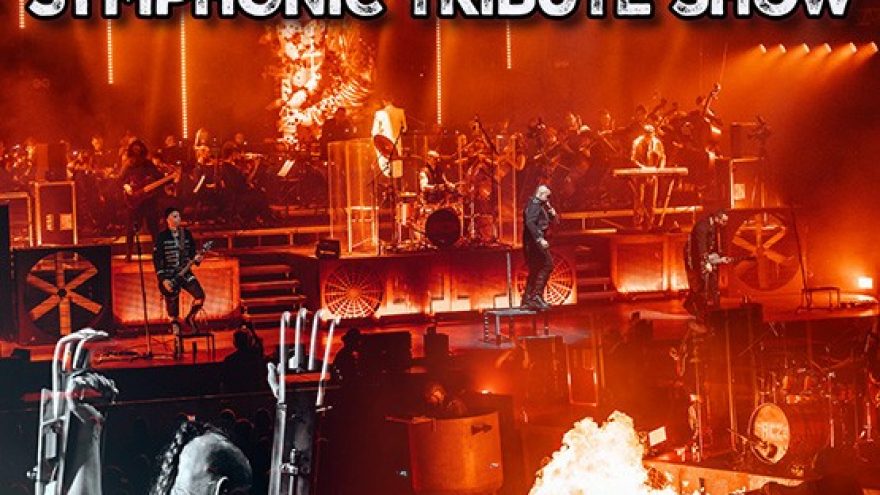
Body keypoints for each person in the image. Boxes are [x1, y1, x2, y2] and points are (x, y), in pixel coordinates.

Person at [153, 207, 205, 341]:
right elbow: (157, 259)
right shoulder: (162, 237)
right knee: (172, 303)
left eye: (179, 216)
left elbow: (192, 253)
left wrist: (197, 259)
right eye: (175, 216)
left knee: (200, 296)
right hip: (170, 275)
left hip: (185, 272)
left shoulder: (186, 234)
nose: (178, 219)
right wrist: (163, 279)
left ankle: (190, 317)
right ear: (167, 219)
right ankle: (175, 327)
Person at [121, 139, 167, 260]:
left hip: (149, 200)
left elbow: (158, 177)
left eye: (139, 149)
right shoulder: (128, 165)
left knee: (153, 226)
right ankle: (128, 253)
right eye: (135, 149)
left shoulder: (148, 164)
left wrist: (169, 178)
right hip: (133, 201)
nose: (137, 152)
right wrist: (126, 186)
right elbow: (120, 180)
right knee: (130, 228)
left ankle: (158, 252)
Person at [683, 209, 729, 319]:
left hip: (705, 256)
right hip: (694, 257)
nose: (725, 223)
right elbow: (701, 246)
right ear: (717, 218)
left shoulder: (715, 226)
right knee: (700, 283)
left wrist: (718, 258)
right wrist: (706, 262)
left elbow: (712, 245)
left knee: (710, 282)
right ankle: (695, 307)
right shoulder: (702, 227)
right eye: (723, 221)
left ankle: (714, 308)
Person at [522, 184, 557, 309]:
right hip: (534, 243)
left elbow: (552, 221)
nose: (548, 199)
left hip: (534, 242)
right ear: (541, 194)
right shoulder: (534, 205)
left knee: (536, 269)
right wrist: (539, 238)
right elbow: (530, 222)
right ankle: (536, 295)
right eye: (547, 196)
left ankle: (527, 299)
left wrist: (552, 213)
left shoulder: (541, 206)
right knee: (548, 265)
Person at [371, 96, 407, 177]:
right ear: (392, 100)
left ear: (383, 101)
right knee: (396, 162)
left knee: (385, 161)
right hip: (397, 141)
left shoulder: (379, 113)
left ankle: (387, 176)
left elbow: (374, 131)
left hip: (385, 142)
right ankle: (396, 178)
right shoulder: (400, 111)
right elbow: (405, 128)